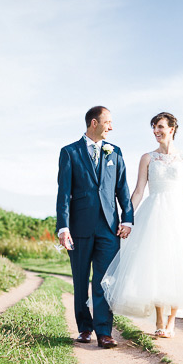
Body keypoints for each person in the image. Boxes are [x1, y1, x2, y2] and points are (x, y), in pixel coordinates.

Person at [102, 112, 183, 338]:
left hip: (180, 214)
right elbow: (138, 191)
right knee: (156, 265)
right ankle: (158, 320)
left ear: (172, 128)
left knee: (179, 265)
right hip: (153, 213)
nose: (156, 131)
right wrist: (126, 217)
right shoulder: (147, 157)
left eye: (160, 127)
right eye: (154, 128)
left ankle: (172, 321)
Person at [56, 105, 134, 349]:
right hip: (79, 228)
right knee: (81, 280)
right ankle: (84, 328)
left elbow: (122, 189)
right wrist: (63, 227)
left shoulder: (116, 152)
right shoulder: (69, 152)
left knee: (104, 281)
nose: (111, 127)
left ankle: (104, 332)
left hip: (109, 228)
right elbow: (64, 193)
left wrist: (127, 219)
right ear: (94, 123)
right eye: (107, 122)